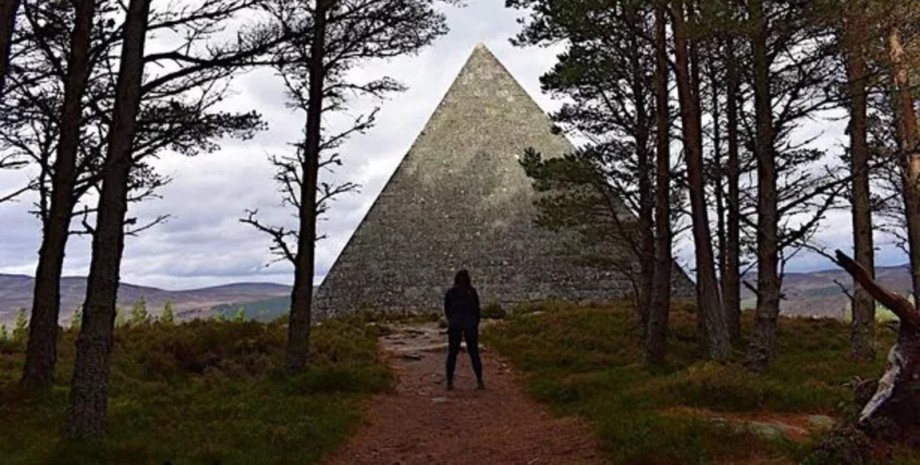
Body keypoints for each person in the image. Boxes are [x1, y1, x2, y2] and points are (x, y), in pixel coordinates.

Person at [444, 269, 484, 391]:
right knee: (474, 354)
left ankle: (449, 382)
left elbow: (447, 309)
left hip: (455, 325)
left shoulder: (451, 293)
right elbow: (476, 310)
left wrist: (452, 321)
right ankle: (479, 380)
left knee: (452, 354)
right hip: (470, 325)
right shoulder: (471, 292)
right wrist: (475, 323)